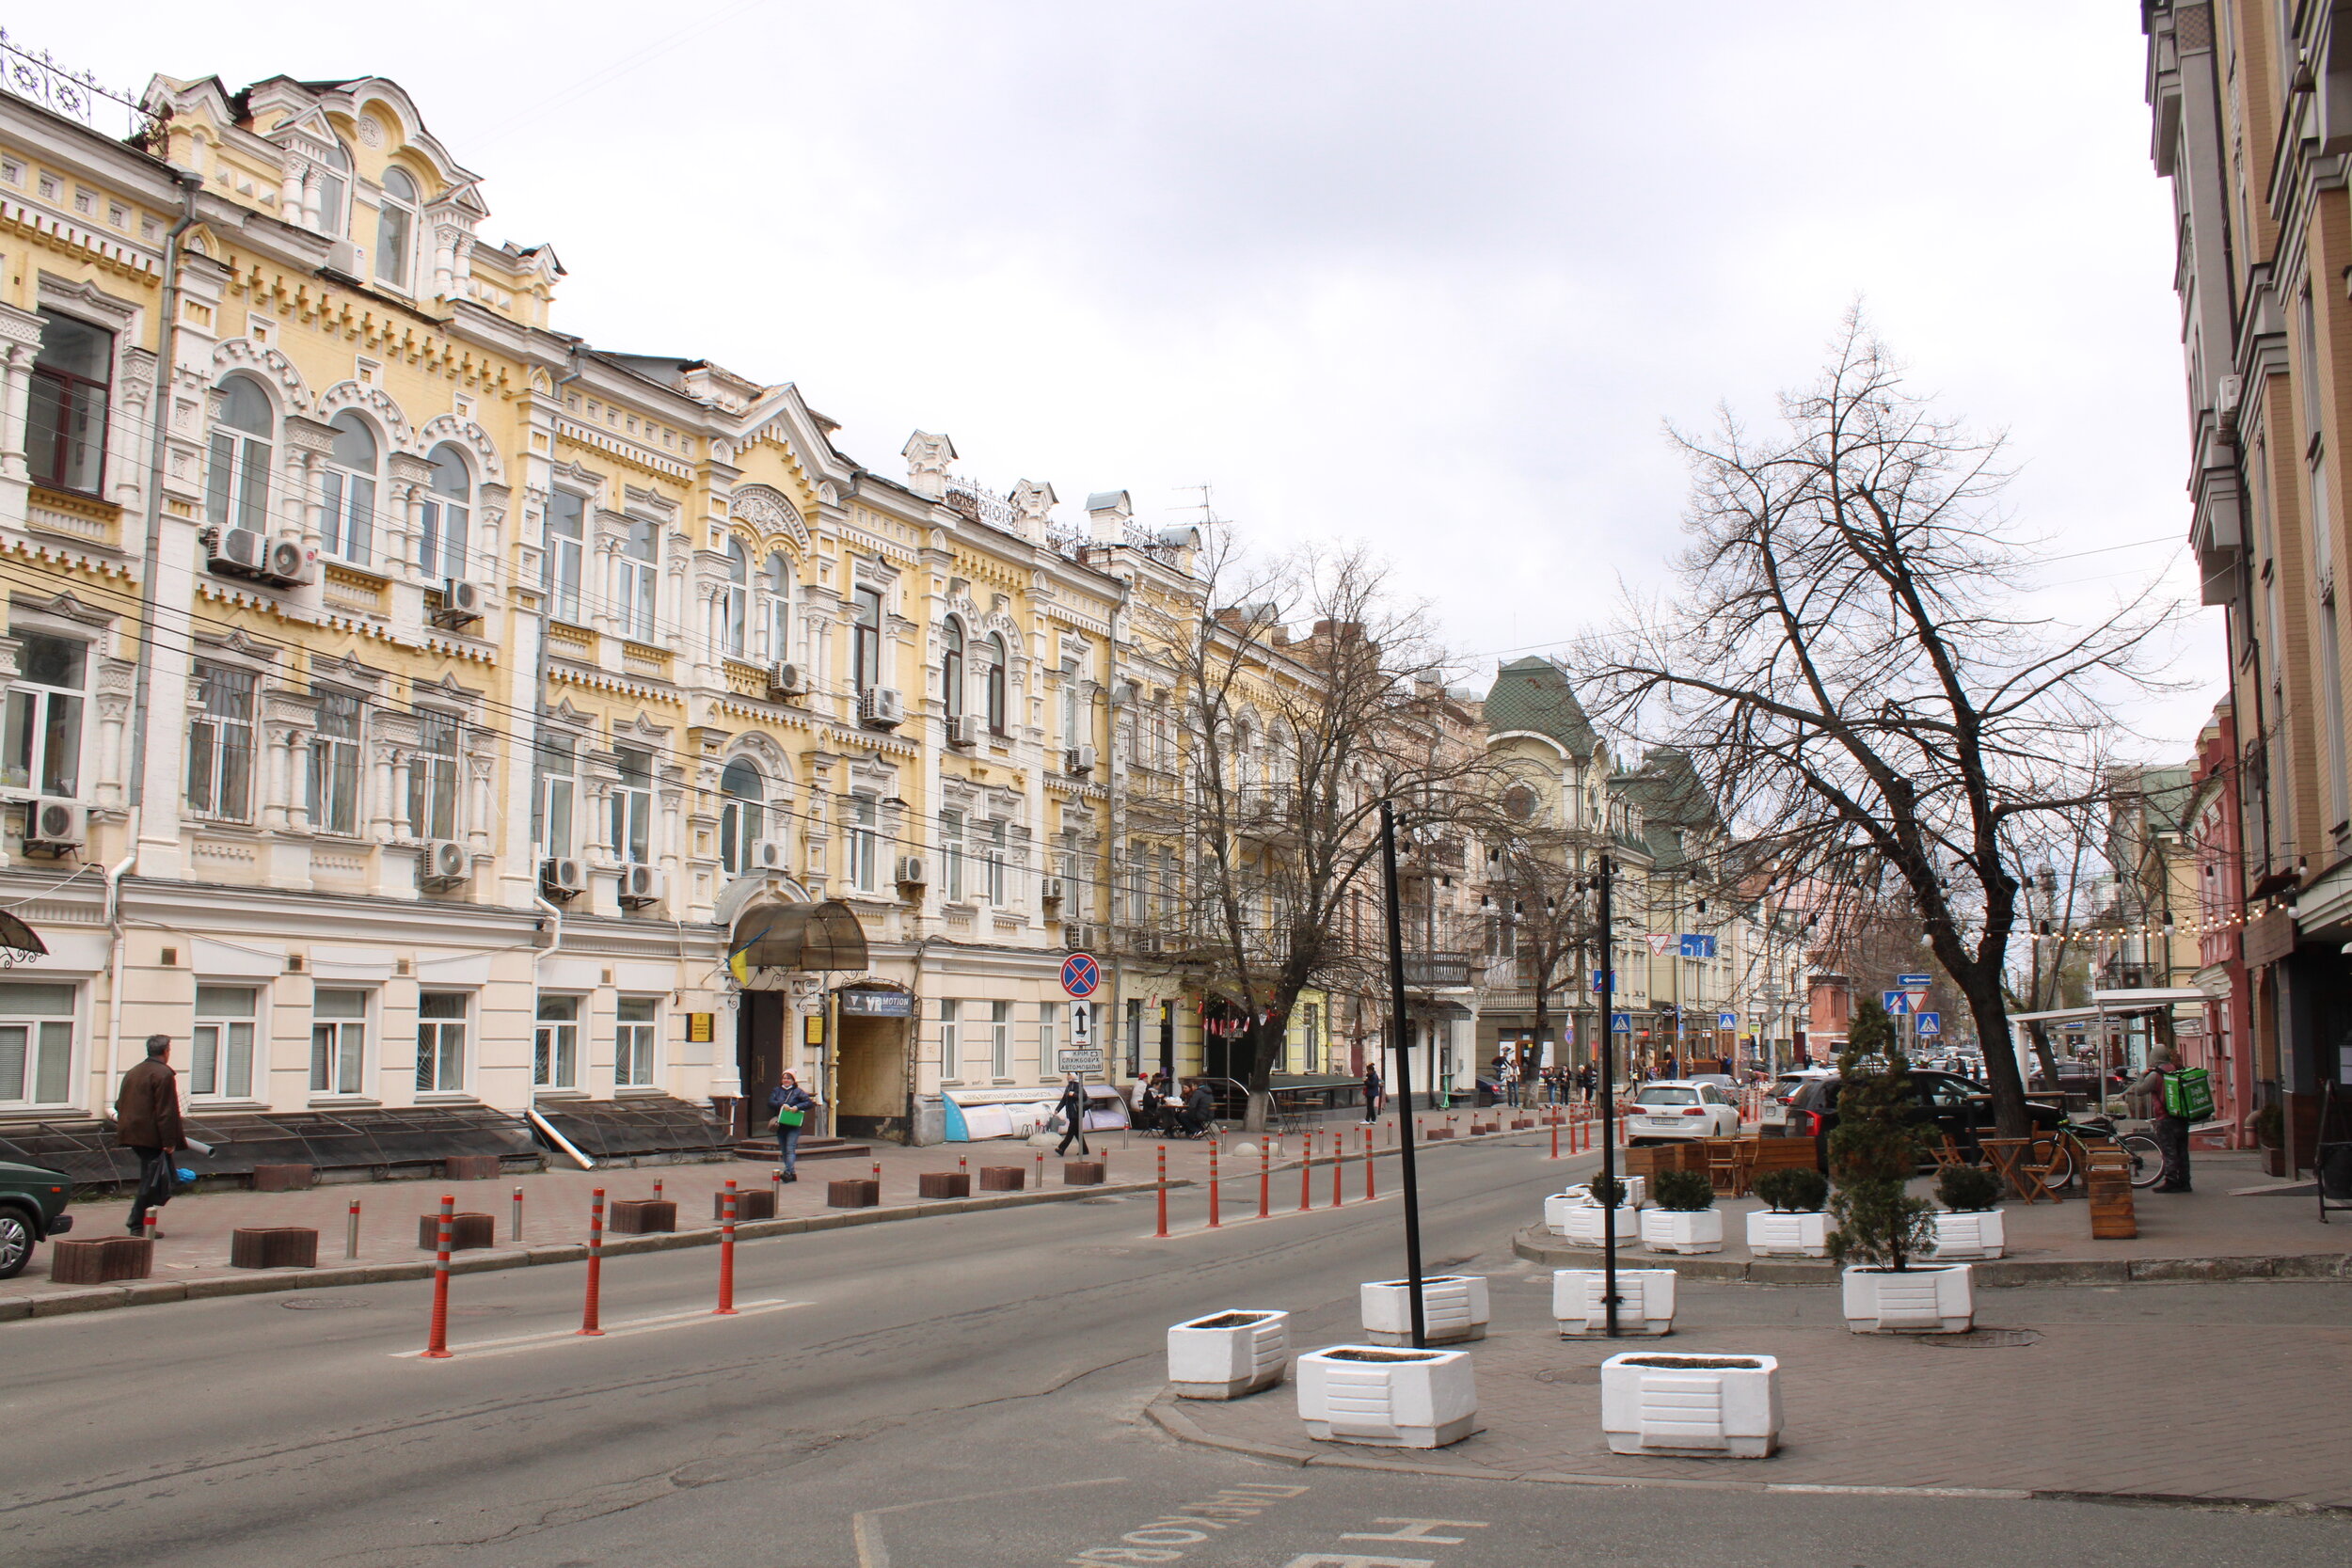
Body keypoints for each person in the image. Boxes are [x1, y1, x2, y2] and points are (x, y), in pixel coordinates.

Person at [116, 1034, 186, 1237]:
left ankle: (143, 1223)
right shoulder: (163, 1074)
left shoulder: (134, 1072)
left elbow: (119, 1104)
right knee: (151, 1180)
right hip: (150, 1136)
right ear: (166, 1051)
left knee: (153, 1178)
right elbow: (166, 1112)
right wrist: (169, 1142)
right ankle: (138, 1225)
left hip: (132, 1132)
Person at [2133, 1049, 2194, 1193]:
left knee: (2169, 1151)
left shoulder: (2155, 1075)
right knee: (2182, 1151)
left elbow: (2139, 1090)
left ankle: (2171, 1181)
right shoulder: (2177, 1070)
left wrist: (2141, 1076)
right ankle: (2185, 1182)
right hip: (2181, 1117)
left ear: (2154, 1059)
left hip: (2165, 1118)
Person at [770, 1071, 819, 1181]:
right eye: (784, 1078)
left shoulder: (798, 1092)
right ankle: (792, 1173)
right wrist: (781, 1105)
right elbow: (771, 1102)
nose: (786, 1080)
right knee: (783, 1149)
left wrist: (796, 1107)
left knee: (790, 1148)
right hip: (781, 1124)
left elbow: (809, 1103)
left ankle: (787, 1172)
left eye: (789, 1078)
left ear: (793, 1081)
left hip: (793, 1124)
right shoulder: (776, 1091)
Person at [1054, 1072, 1091, 1156]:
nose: (1067, 1076)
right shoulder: (1068, 1086)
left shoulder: (1078, 1086)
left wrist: (1074, 1094)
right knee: (1077, 1133)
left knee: (1070, 1132)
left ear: (1073, 1076)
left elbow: (1084, 1096)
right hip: (1071, 1113)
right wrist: (1057, 1109)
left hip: (1077, 1113)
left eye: (1069, 1075)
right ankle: (1085, 1150)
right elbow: (1064, 1099)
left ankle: (1061, 1148)